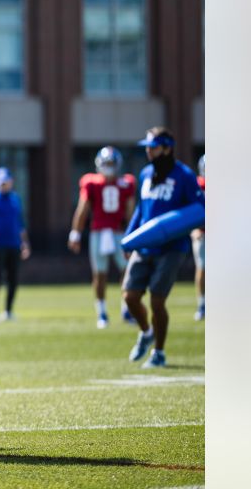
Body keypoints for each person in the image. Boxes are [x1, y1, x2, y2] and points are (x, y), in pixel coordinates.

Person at [122, 128, 205, 368]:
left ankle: (158, 351)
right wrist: (131, 237)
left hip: (171, 247)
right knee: (130, 296)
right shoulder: (146, 173)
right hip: (145, 245)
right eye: (147, 147)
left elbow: (200, 208)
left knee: (157, 301)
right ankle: (146, 332)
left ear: (167, 148)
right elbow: (141, 208)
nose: (148, 151)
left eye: (153, 147)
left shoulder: (184, 175)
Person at [68, 146, 137, 328]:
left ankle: (126, 308)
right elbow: (83, 209)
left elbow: (130, 213)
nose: (108, 167)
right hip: (99, 232)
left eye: (111, 163)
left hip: (119, 233)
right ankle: (102, 312)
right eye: (106, 163)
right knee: (100, 274)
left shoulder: (126, 183)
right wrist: (75, 232)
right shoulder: (91, 183)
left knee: (127, 272)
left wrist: (133, 235)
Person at [0, 167, 31, 323]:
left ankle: (8, 311)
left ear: (11, 182)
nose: (4, 185)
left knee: (13, 279)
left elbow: (20, 224)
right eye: (1, 182)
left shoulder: (15, 199)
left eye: (6, 182)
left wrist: (25, 243)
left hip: (14, 245)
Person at [192, 154, 206, 321]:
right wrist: (194, 228)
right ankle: (202, 304)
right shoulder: (197, 184)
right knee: (202, 267)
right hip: (202, 232)